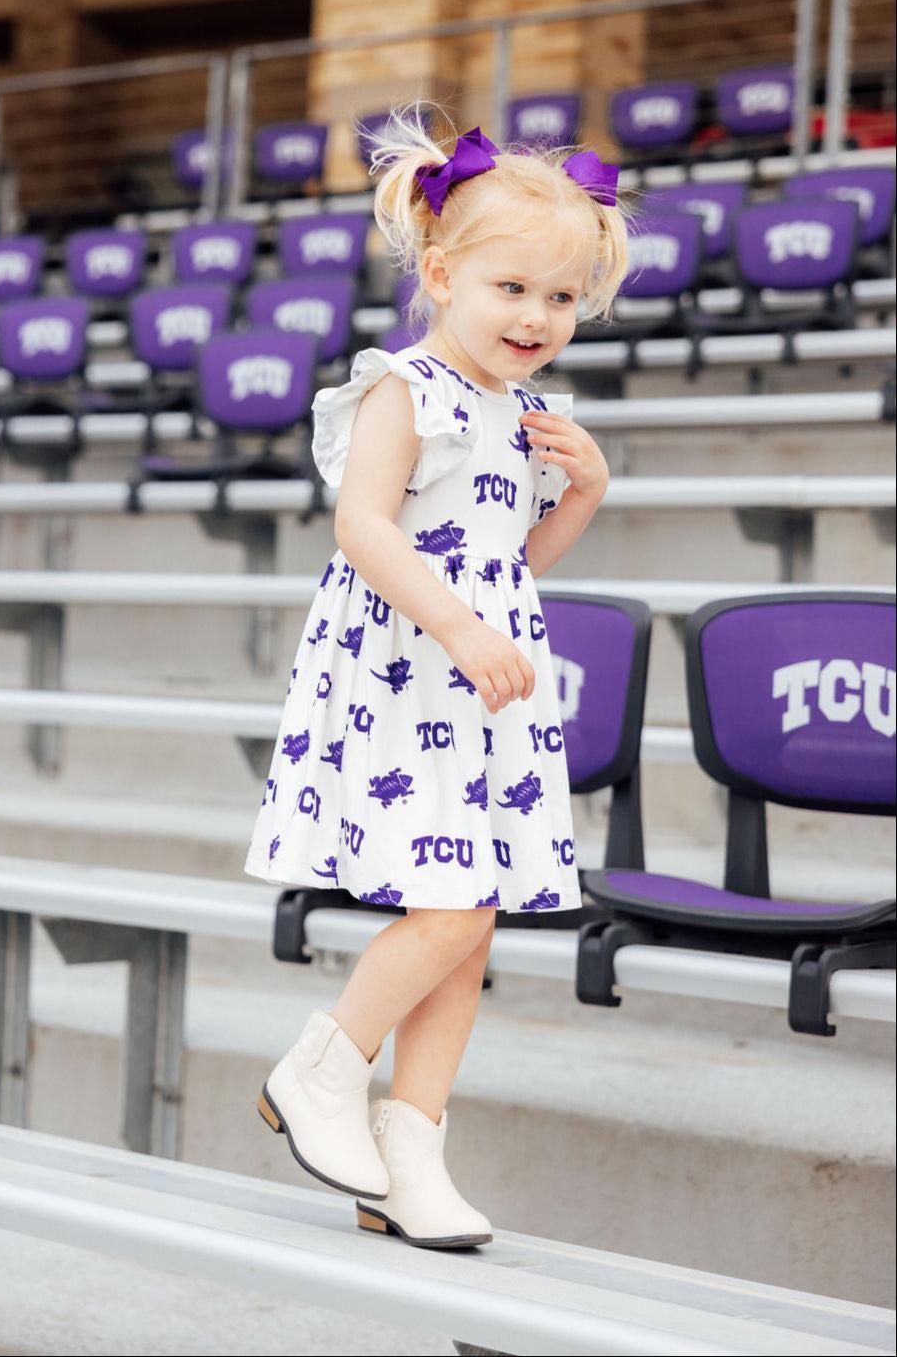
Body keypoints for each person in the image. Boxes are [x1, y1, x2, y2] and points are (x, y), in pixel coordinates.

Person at [243, 105, 630, 1249]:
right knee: (451, 905)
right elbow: (363, 528)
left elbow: (512, 560)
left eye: (561, 299)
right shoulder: (400, 387)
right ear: (446, 272)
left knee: (474, 920)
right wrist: (460, 628)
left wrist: (587, 497)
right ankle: (323, 1068)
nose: (538, 318)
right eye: (513, 289)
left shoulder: (528, 415)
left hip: (481, 679)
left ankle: (410, 1147)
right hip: (410, 670)